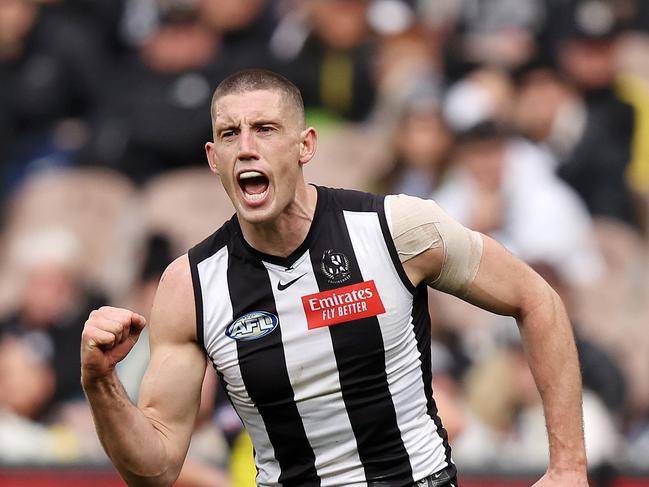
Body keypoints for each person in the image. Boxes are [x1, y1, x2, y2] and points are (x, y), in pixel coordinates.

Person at [81, 69, 588, 487]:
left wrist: (568, 466)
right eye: (230, 134)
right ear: (214, 159)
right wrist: (99, 381)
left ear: (306, 146)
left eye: (266, 129)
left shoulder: (396, 228)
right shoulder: (190, 286)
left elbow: (537, 300)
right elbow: (156, 469)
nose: (247, 147)